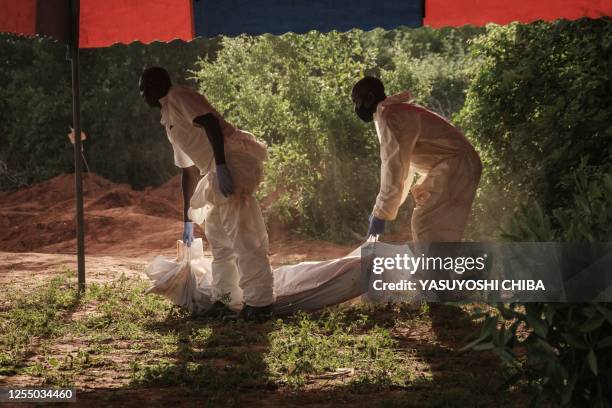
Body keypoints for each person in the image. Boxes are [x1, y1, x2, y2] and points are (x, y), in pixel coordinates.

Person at [139, 67, 274, 320]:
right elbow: (188, 172)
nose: (142, 92)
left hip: (230, 163)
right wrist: (187, 221)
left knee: (242, 235)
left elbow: (210, 122)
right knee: (220, 240)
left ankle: (260, 304)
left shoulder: (178, 95)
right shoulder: (168, 118)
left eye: (146, 86)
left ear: (160, 84)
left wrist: (222, 166)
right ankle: (225, 299)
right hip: (212, 171)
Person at [351, 76, 482, 242]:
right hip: (456, 164)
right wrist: (382, 212)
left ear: (369, 98)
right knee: (434, 226)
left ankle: (436, 267)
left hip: (456, 164)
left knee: (425, 223)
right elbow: (405, 171)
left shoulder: (391, 116)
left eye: (357, 101)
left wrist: (380, 215)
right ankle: (449, 265)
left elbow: (394, 168)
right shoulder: (393, 112)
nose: (356, 107)